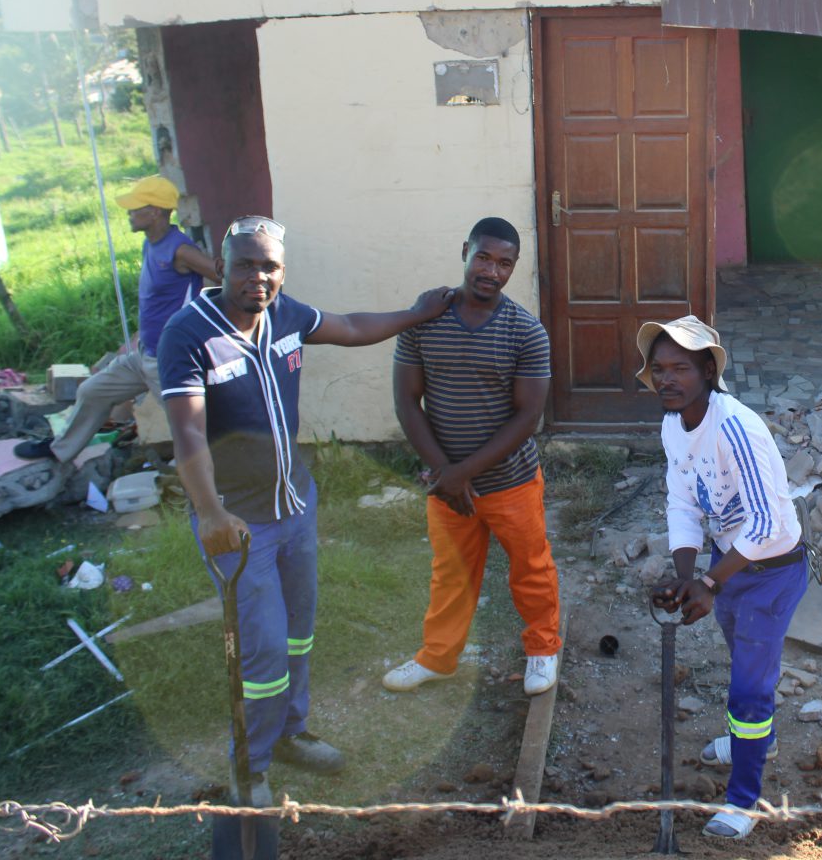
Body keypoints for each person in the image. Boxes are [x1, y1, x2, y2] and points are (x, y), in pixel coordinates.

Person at [158, 215, 452, 805]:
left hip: (295, 506)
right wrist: (210, 513)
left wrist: (416, 314)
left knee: (296, 635)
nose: (258, 277)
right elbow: (187, 435)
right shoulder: (189, 335)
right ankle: (251, 766)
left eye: (270, 267)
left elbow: (347, 326)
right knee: (261, 649)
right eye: (245, 264)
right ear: (221, 267)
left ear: (282, 272)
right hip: (240, 527)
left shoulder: (287, 315)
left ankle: (290, 733)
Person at [640, 315, 807, 841]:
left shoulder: (734, 427)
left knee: (749, 690)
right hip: (729, 565)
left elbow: (769, 523)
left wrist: (710, 584)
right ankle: (758, 741)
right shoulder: (674, 424)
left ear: (708, 371)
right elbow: (683, 500)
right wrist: (687, 575)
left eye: (680, 368)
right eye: (658, 368)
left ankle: (744, 800)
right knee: (744, 665)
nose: (667, 379)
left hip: (771, 572)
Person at [382, 217, 562, 698]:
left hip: (511, 482)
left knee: (531, 567)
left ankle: (543, 650)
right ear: (465, 251)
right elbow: (406, 401)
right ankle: (438, 658)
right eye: (484, 257)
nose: (492, 270)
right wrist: (446, 474)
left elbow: (528, 418)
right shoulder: (424, 320)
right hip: (446, 484)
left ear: (513, 268)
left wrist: (460, 473)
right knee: (451, 573)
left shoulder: (526, 332)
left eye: (504, 263)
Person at [17, 175, 216, 462]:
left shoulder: (181, 250)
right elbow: (158, 304)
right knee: (91, 390)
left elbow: (225, 279)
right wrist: (136, 338)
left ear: (156, 212)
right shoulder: (151, 244)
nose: (129, 213)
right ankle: (59, 452)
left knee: (191, 429)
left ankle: (217, 485)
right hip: (143, 353)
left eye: (136, 208)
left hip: (169, 360)